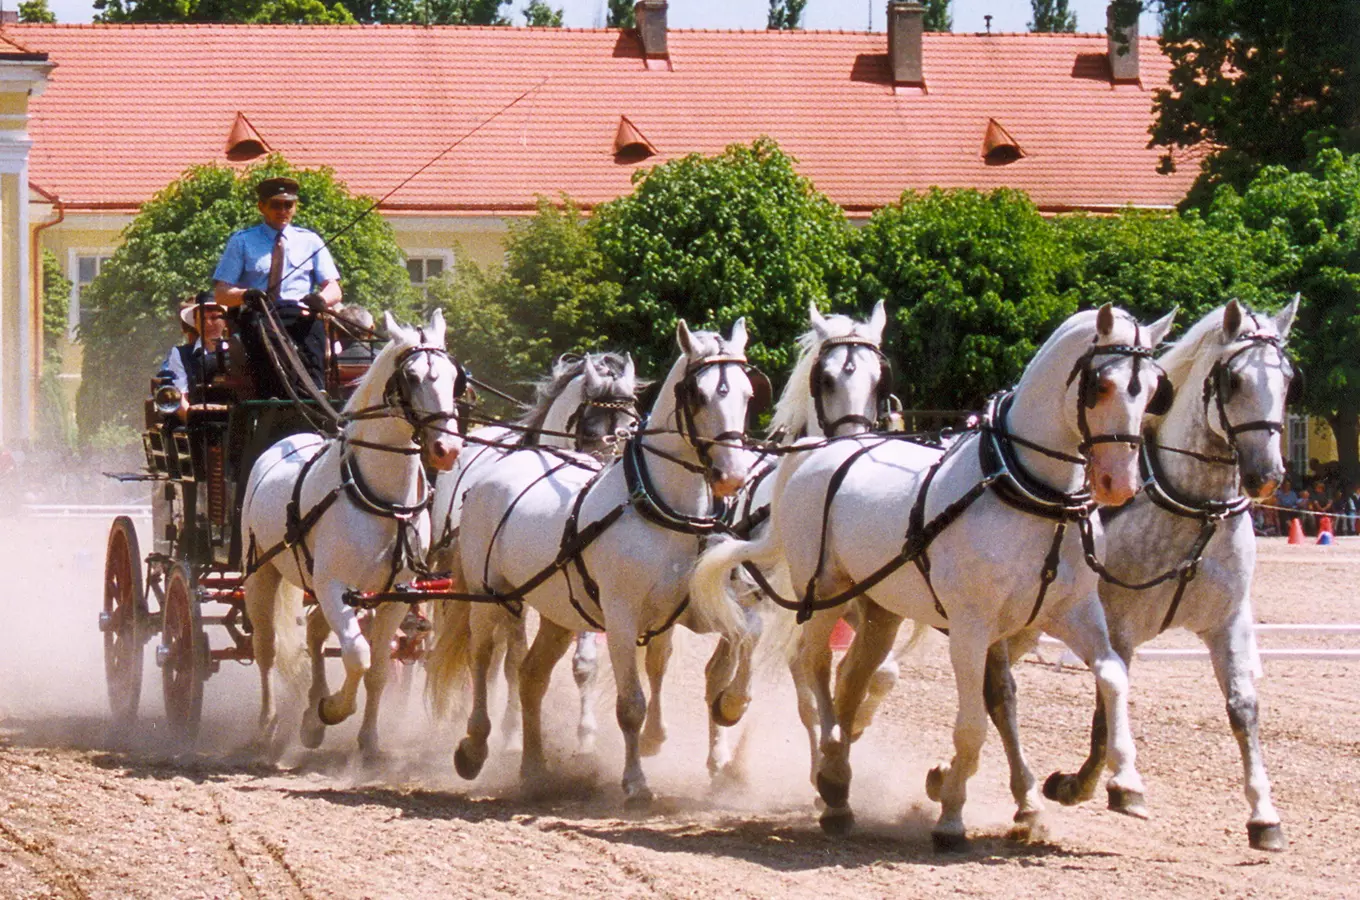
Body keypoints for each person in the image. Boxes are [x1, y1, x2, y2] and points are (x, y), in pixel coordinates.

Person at [212, 176, 341, 397]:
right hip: (260, 313)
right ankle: (276, 393)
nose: (283, 210)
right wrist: (245, 295)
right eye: (276, 205)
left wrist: (320, 300)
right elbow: (221, 293)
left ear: (295, 207)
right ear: (261, 206)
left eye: (288, 205)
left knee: (315, 330)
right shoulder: (242, 241)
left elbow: (334, 288)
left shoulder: (310, 241)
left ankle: (316, 391)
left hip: (300, 312)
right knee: (267, 335)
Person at [161, 292, 229, 400]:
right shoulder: (180, 354)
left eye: (214, 317)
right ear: (195, 323)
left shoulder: (237, 351)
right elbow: (181, 398)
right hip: (197, 415)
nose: (208, 324)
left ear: (225, 321)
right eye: (202, 319)